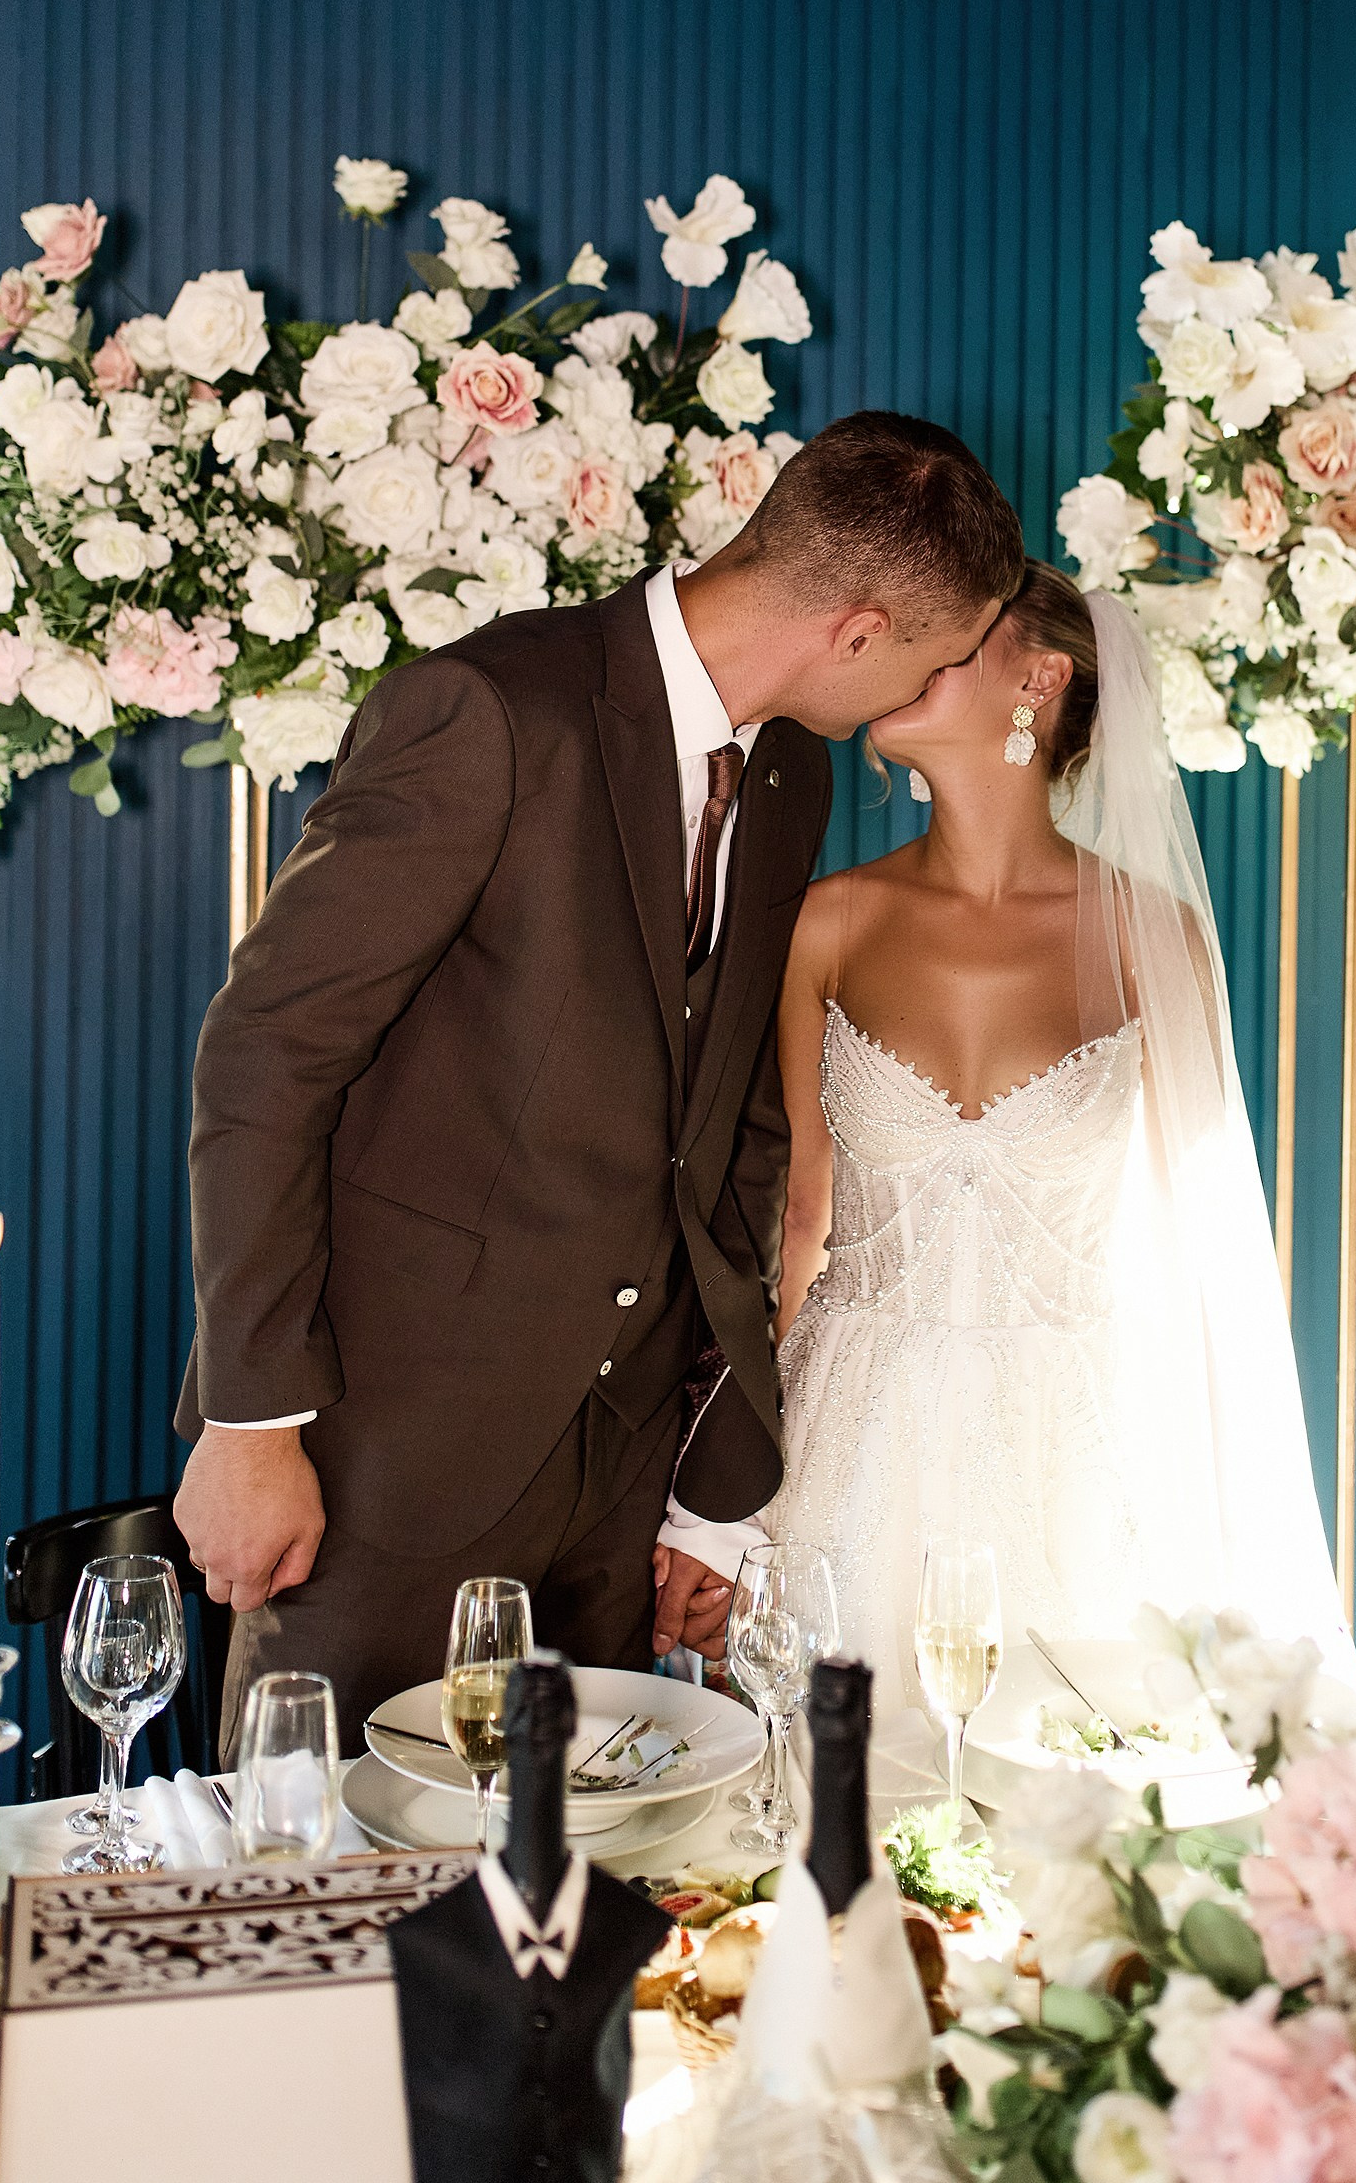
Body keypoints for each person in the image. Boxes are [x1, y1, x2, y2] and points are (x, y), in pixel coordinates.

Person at [171, 411, 1025, 1748]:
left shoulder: (790, 769)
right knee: (331, 1884)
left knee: (577, 1914)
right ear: (859, 631)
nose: (925, 696)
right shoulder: (491, 712)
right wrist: (250, 1420)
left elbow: (735, 1134)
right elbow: (270, 1051)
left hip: (616, 1479)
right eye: (937, 657)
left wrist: (708, 1483)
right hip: (385, 1459)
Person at [765, 559, 1352, 1696]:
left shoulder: (1147, 932)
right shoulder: (829, 921)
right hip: (847, 1430)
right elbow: (798, 1215)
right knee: (831, 1796)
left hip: (1075, 1453)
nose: (908, 642)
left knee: (1053, 1799)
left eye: (953, 633)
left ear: (1036, 677)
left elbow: (1197, 1251)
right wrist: (723, 1501)